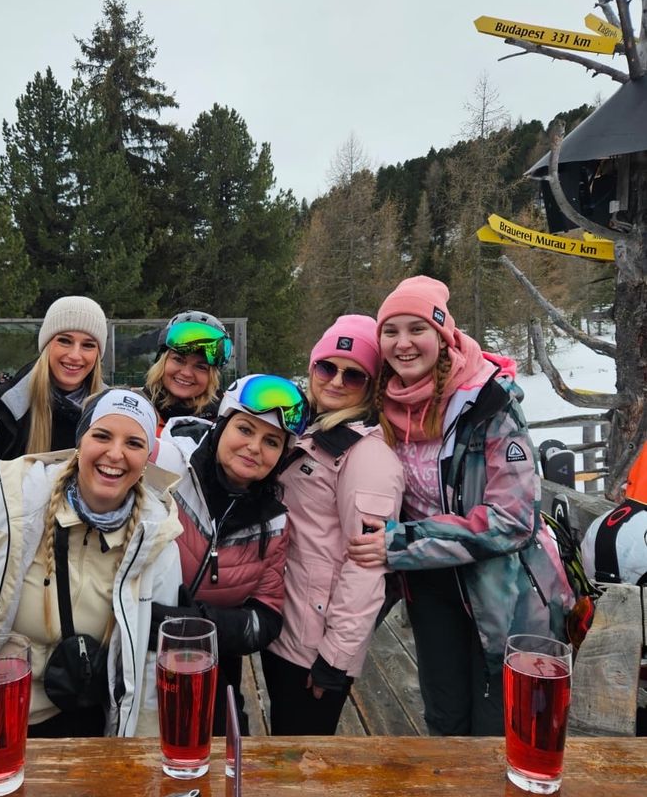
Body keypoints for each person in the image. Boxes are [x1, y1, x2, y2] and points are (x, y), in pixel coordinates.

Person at [0, 389, 183, 741]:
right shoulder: (11, 508)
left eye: (133, 443)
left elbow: (150, 662)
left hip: (88, 728)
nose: (115, 454)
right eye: (102, 436)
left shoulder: (156, 541)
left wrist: (141, 758)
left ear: (147, 457)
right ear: (79, 442)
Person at [348, 276, 573, 736]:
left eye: (417, 329)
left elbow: (512, 520)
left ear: (443, 337)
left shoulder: (489, 403)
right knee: (445, 722)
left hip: (504, 591)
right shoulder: (378, 404)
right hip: (431, 592)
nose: (403, 343)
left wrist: (403, 542)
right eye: (391, 331)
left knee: (502, 728)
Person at [261, 316, 404, 736]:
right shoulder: (310, 432)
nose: (336, 381)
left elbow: (366, 564)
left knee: (303, 761)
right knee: (284, 747)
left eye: (354, 374)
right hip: (285, 626)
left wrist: (336, 658)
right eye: (327, 367)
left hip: (313, 645)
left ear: (372, 385)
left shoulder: (367, 456)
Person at [150, 374, 309, 735]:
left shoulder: (272, 521)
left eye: (271, 441)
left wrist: (196, 624)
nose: (254, 447)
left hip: (211, 665)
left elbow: (266, 618)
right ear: (221, 425)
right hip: (134, 660)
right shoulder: (171, 473)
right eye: (245, 429)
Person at [0, 295, 108, 533]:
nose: (75, 355)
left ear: (98, 354)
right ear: (47, 344)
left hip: (84, 546)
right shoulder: (4, 406)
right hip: (9, 544)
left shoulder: (111, 411)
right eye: (65, 341)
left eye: (88, 345)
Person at [142, 310, 232, 432]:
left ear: (212, 377)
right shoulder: (134, 410)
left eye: (200, 367)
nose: (186, 373)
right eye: (178, 360)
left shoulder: (227, 420)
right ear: (162, 361)